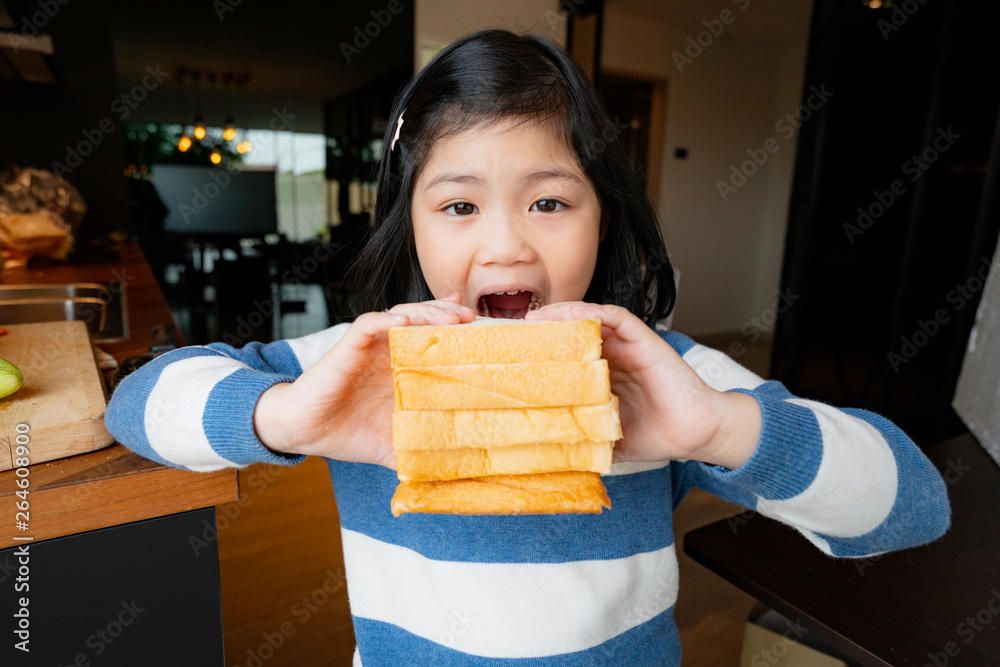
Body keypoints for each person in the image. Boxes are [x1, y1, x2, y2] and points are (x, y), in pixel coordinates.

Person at [106, 29, 950, 665]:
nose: (506, 246)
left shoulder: (663, 377)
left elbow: (913, 509)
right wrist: (278, 414)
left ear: (603, 216)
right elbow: (136, 405)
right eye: (459, 206)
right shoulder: (359, 368)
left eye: (549, 202)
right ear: (412, 225)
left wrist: (722, 432)